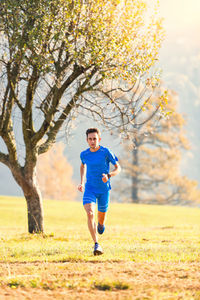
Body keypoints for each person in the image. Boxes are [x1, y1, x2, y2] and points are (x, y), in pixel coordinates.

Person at [78, 128, 121, 255]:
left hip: (103, 190)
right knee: (90, 213)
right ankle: (96, 245)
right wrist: (82, 182)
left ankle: (101, 226)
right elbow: (82, 165)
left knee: (100, 222)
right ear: (87, 140)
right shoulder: (84, 154)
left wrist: (109, 175)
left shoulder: (106, 152)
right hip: (90, 188)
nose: (92, 141)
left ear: (99, 139)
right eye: (90, 139)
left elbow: (118, 168)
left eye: (94, 139)